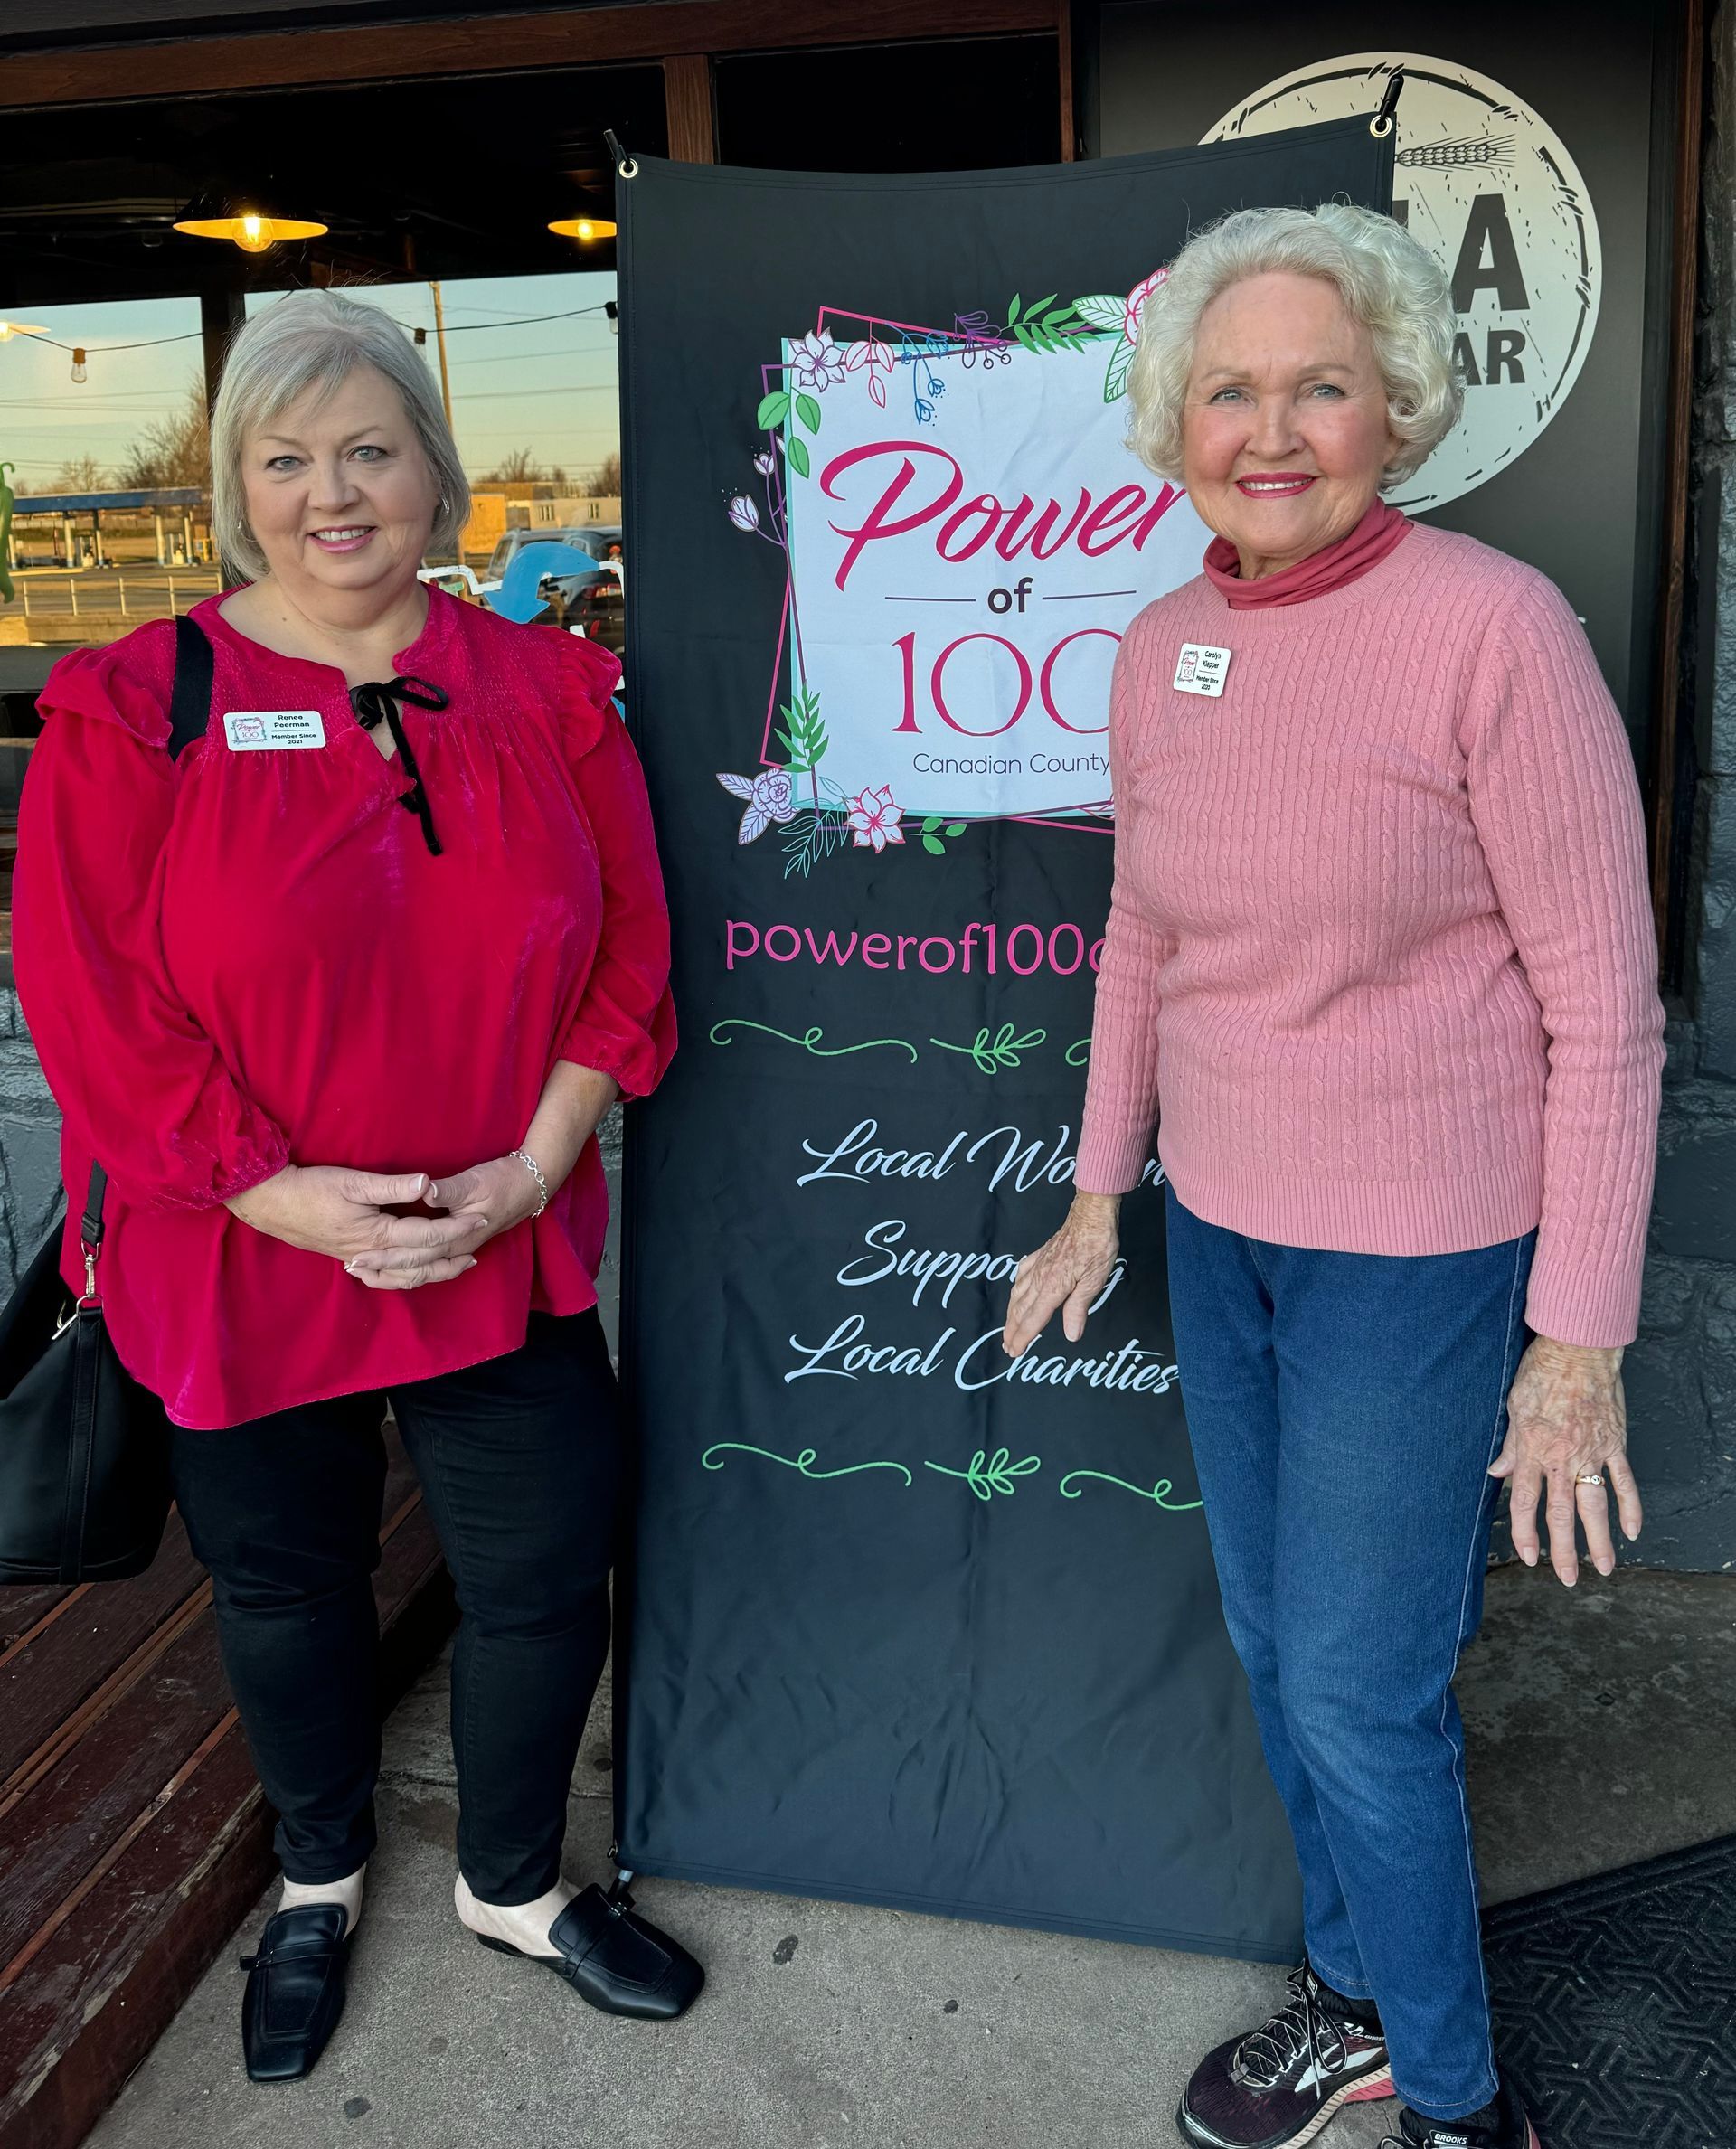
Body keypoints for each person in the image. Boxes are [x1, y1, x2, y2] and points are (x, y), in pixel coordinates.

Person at [1004, 204, 1664, 2149]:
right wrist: (1099, 1193)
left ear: (1395, 409)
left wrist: (1578, 1342)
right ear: (1174, 422)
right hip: (1224, 1231)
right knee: (1284, 1646)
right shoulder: (1160, 647)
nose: (1271, 427)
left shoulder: (1493, 629)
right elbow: (1139, 934)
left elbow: (1606, 1014)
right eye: (1231, 388)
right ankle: (1362, 1997)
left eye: (1320, 385)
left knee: (1366, 1690)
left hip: (1421, 1251)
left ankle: (1457, 2102)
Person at [14, 289, 700, 2084]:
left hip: (498, 1237)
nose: (335, 493)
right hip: (240, 1253)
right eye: (287, 456)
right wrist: (269, 1191)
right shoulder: (131, 704)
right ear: (239, 487)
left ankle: (513, 1882)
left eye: (370, 448)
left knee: (548, 1576)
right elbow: (91, 1003)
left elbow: (630, 944)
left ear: (434, 471)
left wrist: (538, 1161)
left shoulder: (546, 689)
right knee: (287, 1587)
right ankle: (316, 1878)